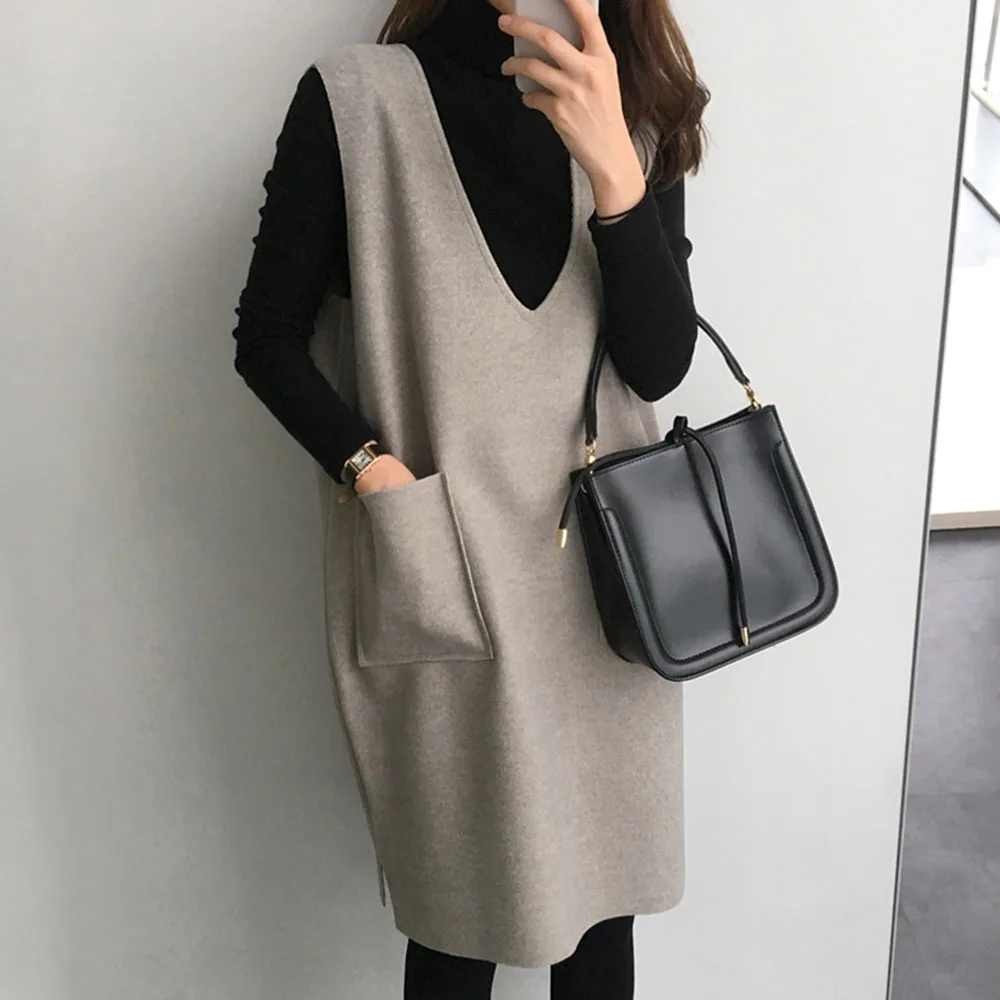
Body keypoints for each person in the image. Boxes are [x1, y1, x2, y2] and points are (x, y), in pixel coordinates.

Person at [232, 0, 708, 996]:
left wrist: (614, 171)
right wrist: (375, 471)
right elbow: (266, 337)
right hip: (449, 573)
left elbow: (658, 366)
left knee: (604, 919)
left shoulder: (637, 109)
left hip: (609, 591)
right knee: (455, 927)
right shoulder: (356, 102)